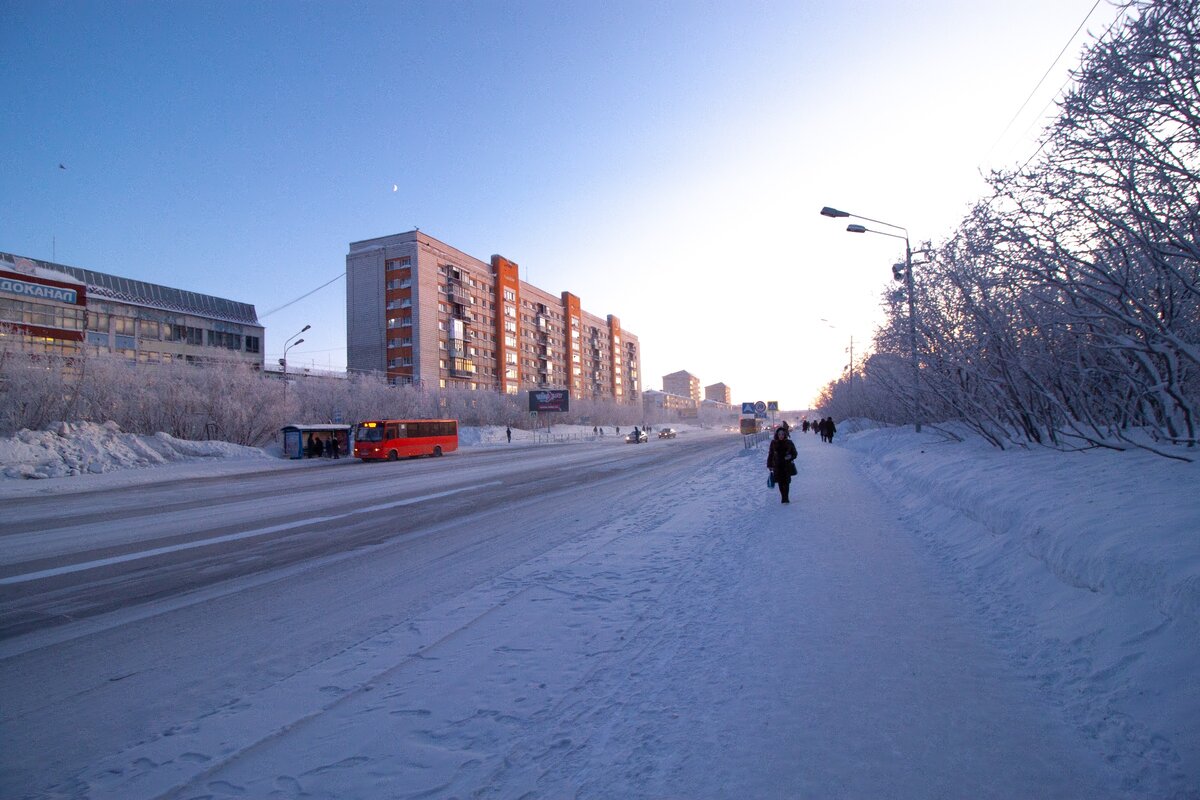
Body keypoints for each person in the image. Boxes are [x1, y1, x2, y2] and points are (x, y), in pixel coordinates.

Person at [766, 425, 798, 504]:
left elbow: (795, 453)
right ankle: (783, 497)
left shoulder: (789, 443)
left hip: (786, 466)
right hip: (777, 466)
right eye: (779, 434)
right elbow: (770, 454)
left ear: (785, 435)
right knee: (780, 482)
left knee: (786, 482)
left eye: (782, 434)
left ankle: (786, 497)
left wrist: (790, 456)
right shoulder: (773, 443)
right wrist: (769, 465)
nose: (781, 436)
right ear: (777, 435)